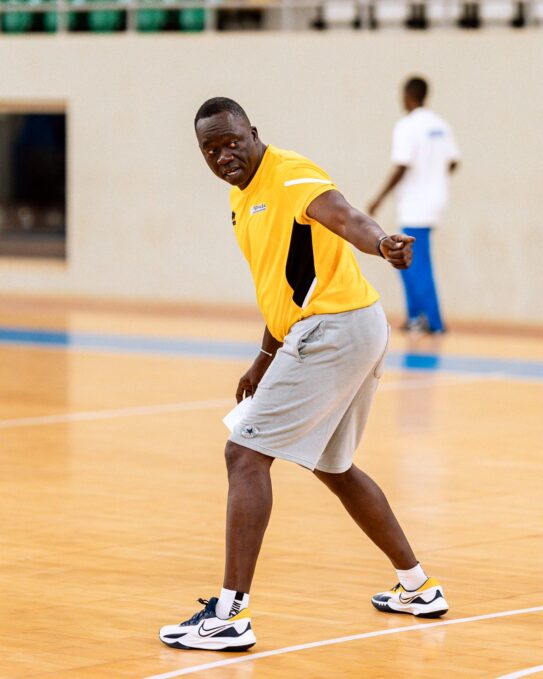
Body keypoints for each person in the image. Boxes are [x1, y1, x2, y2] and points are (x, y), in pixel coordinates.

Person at [159, 97, 449, 652]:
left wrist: (381, 243)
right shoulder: (240, 199)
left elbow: (345, 216)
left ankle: (230, 615)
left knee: (244, 454)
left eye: (231, 142)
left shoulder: (291, 174)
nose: (223, 155)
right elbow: (286, 285)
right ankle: (417, 586)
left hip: (334, 328)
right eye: (210, 149)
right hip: (347, 325)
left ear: (253, 132)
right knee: (333, 466)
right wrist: (263, 357)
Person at [368, 77, 460, 334]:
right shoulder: (441, 125)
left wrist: (379, 198)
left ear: (408, 96)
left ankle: (435, 322)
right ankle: (414, 317)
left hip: (416, 203)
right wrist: (434, 175)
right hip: (436, 199)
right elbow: (453, 161)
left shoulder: (407, 125)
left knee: (416, 263)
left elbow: (402, 165)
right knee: (406, 261)